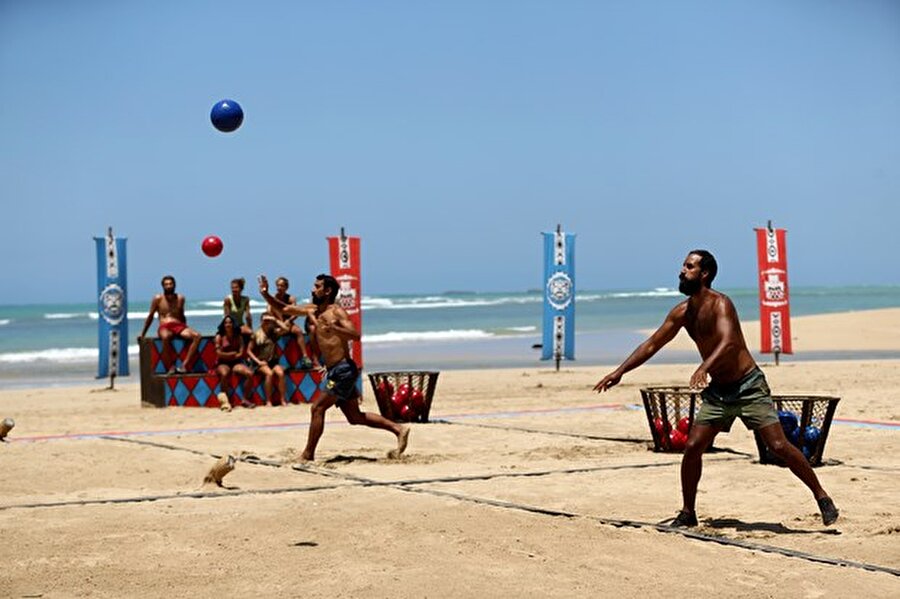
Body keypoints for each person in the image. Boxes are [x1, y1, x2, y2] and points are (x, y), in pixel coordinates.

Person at [593, 250, 839, 527]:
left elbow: (729, 341)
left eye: (689, 267)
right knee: (693, 446)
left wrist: (703, 367)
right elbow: (651, 344)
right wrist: (620, 371)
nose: (681, 271)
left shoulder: (722, 304)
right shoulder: (683, 312)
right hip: (719, 392)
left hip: (748, 385)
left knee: (779, 445)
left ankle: (822, 498)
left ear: (704, 273)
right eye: (683, 266)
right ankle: (688, 513)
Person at [258, 273, 410, 461]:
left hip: (343, 370)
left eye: (317, 286)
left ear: (327, 291)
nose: (313, 289)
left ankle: (307, 454)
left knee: (317, 408)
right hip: (335, 370)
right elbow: (285, 308)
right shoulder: (313, 310)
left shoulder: (337, 312)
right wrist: (265, 294)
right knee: (354, 417)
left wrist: (336, 328)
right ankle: (398, 429)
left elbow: (355, 335)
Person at [137, 275, 201, 374]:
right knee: (165, 337)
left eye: (170, 284)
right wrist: (143, 333)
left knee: (197, 336)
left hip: (178, 326)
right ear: (163, 286)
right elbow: (150, 316)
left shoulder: (180, 298)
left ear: (174, 285)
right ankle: (170, 367)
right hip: (165, 326)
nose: (168, 286)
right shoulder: (158, 298)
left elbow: (182, 315)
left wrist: (185, 329)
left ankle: (184, 365)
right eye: (166, 284)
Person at [269, 276, 319, 370]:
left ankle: (305, 357)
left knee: (298, 331)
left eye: (281, 286)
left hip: (289, 323)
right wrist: (279, 322)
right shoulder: (273, 298)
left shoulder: (291, 299)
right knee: (272, 333)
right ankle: (272, 359)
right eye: (278, 286)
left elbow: (296, 313)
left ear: (286, 287)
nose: (279, 288)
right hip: (277, 323)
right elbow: (268, 312)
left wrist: (289, 321)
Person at [247, 314, 289, 406]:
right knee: (269, 373)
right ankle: (268, 400)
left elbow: (286, 329)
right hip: (261, 362)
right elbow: (249, 350)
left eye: (268, 321)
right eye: (264, 321)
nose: (266, 323)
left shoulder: (273, 333)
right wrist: (258, 362)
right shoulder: (257, 334)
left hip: (273, 362)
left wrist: (275, 319)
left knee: (281, 373)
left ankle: (282, 399)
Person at [214, 315, 254, 410]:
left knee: (249, 373)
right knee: (225, 373)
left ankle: (245, 399)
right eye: (226, 323)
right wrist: (231, 354)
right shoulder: (219, 337)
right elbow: (218, 353)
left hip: (236, 362)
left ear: (233, 324)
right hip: (222, 362)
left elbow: (241, 352)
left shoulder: (238, 337)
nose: (228, 324)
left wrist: (233, 356)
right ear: (223, 325)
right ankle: (225, 401)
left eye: (230, 322)